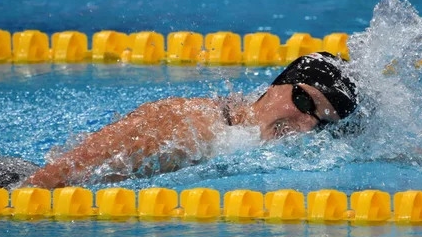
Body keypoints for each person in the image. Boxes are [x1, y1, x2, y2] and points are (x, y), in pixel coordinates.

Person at [22, 51, 358, 189]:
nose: (305, 124)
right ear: (276, 84)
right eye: (303, 101)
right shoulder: (185, 125)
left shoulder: (256, 144)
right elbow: (48, 181)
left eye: (321, 123)